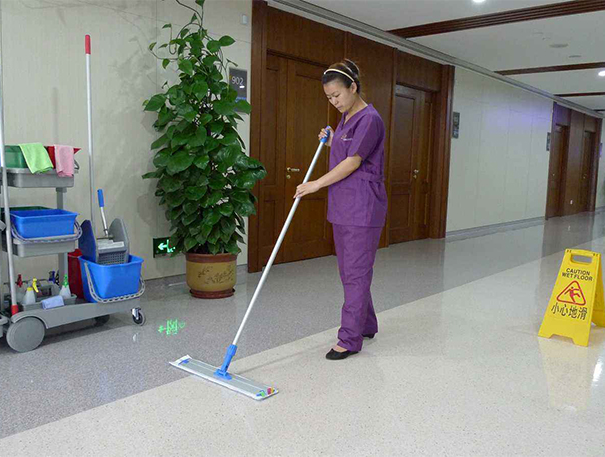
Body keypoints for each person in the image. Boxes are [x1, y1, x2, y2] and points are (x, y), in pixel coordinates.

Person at [294, 59, 388, 360]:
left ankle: (349, 339)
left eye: (336, 95)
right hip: (344, 206)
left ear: (353, 87)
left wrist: (315, 184)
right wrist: (333, 139)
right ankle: (366, 324)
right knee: (350, 271)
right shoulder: (347, 119)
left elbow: (353, 161)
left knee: (356, 272)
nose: (333, 102)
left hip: (362, 207)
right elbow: (348, 150)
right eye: (329, 98)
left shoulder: (370, 119)